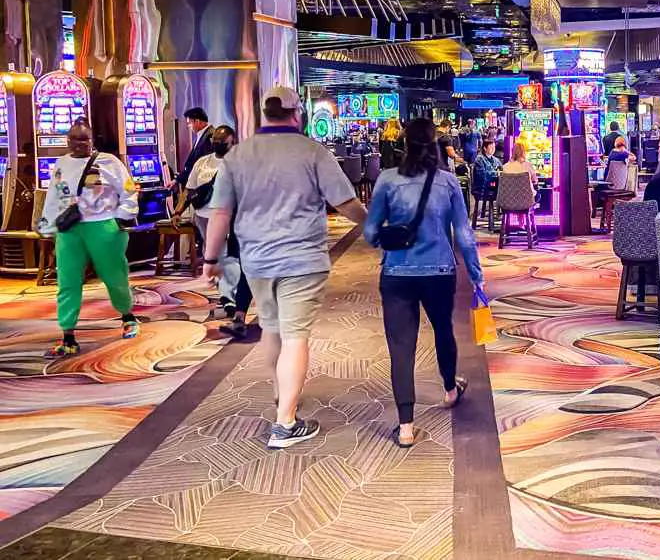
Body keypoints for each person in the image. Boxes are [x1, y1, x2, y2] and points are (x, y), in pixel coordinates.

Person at [203, 86, 368, 449]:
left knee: (273, 330)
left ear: (264, 113)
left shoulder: (237, 155)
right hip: (301, 259)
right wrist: (372, 226)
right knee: (295, 337)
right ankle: (285, 423)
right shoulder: (313, 152)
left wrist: (210, 259)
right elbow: (345, 202)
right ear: (298, 114)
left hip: (256, 260)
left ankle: (283, 395)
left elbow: (220, 213)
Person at [364, 119, 483, 448]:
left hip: (397, 275)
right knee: (443, 330)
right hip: (439, 272)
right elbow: (464, 234)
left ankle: (405, 425)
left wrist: (392, 234)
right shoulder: (448, 183)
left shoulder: (387, 180)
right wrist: (475, 275)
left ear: (404, 145)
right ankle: (449, 389)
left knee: (401, 348)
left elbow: (371, 233)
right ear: (434, 145)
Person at [39, 120, 141, 358]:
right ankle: (68, 336)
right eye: (75, 139)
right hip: (70, 229)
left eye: (84, 139)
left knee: (114, 275)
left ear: (92, 140)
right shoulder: (61, 163)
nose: (80, 144)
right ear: (68, 141)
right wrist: (48, 225)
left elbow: (128, 191)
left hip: (103, 226)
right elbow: (53, 196)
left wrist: (121, 218)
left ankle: (128, 317)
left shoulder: (109, 162)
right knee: (68, 281)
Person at [177, 125, 255, 339]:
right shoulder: (203, 162)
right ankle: (230, 299)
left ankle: (231, 300)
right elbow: (189, 189)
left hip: (234, 216)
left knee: (232, 257)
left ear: (233, 141)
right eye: (215, 142)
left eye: (223, 142)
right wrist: (178, 211)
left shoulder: (243, 161)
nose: (218, 145)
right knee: (219, 255)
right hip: (206, 216)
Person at [176, 107, 213, 192]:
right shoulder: (202, 135)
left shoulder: (210, 137)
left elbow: (204, 166)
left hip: (202, 188)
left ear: (197, 121)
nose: (189, 127)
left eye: (190, 123)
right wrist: (177, 180)